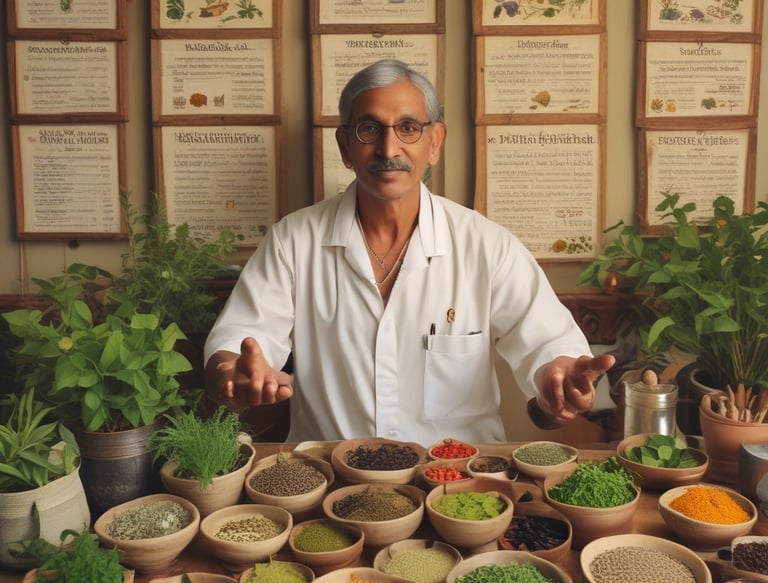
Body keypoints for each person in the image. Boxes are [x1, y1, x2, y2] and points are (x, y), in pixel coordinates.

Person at [204, 59, 615, 443]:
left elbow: (550, 350)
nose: (388, 149)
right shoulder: (293, 241)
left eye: (408, 128)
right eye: (369, 129)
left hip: (458, 486)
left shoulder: (486, 245)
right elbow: (239, 341)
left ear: (434, 141)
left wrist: (558, 384)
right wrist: (232, 374)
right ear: (345, 145)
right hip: (330, 481)